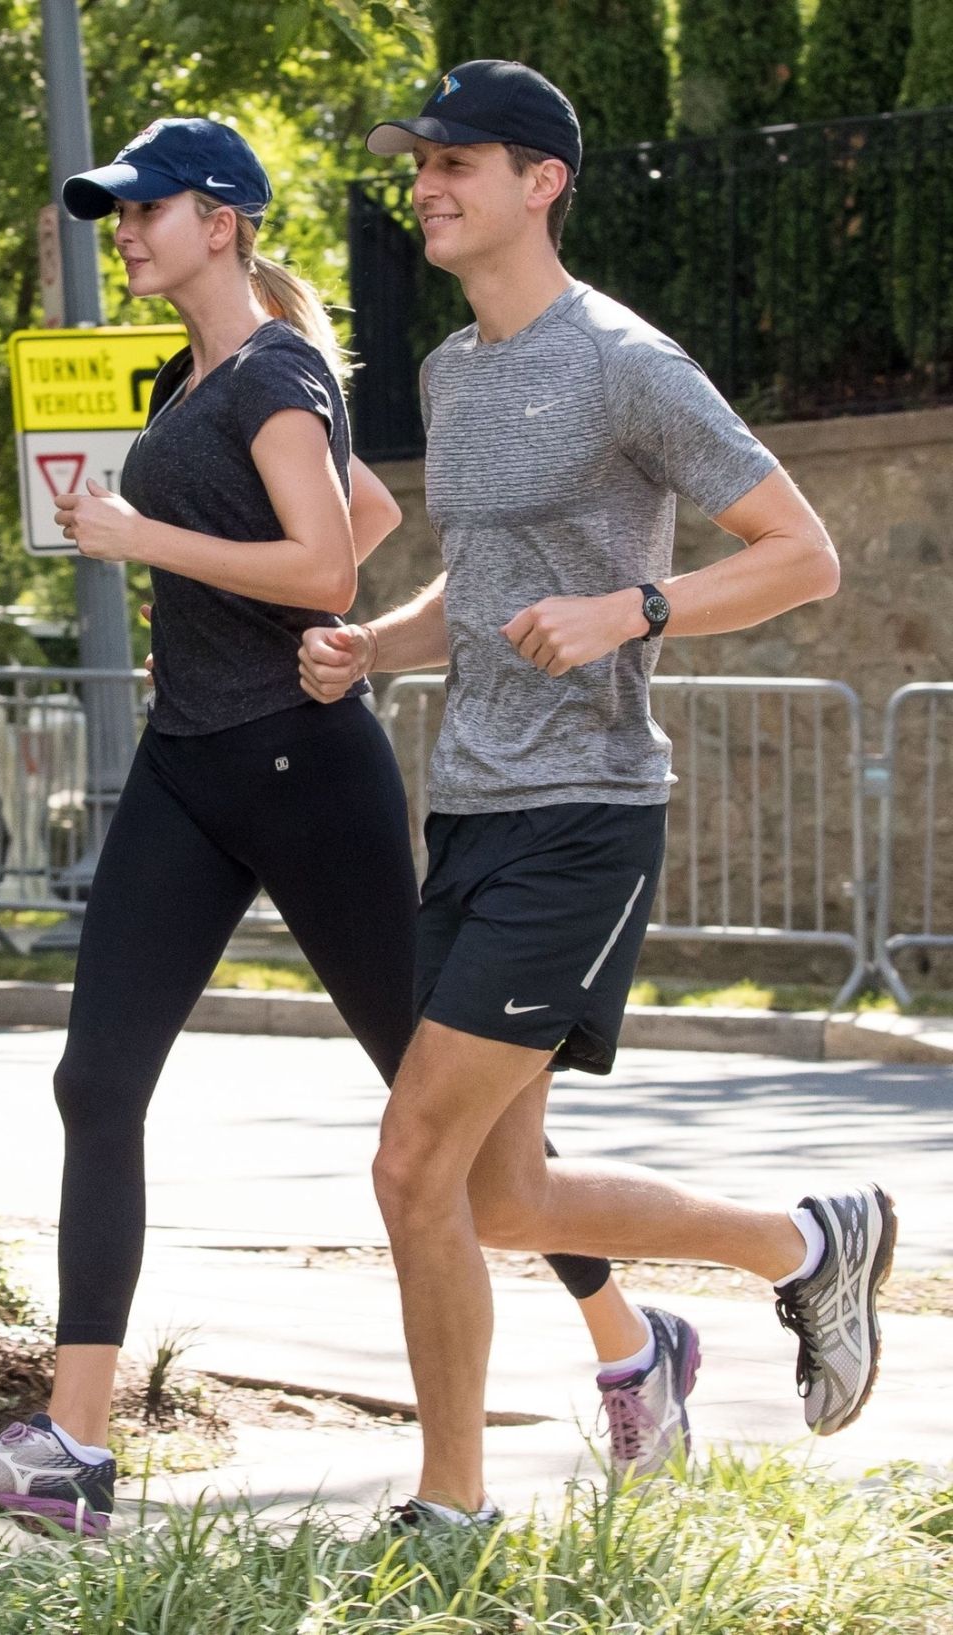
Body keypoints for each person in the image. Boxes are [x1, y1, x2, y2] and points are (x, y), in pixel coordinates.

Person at [0, 115, 689, 1535]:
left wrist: (149, 543)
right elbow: (363, 508)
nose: (125, 234)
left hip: (301, 771)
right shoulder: (187, 376)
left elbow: (325, 561)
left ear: (223, 223)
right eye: (116, 214)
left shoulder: (275, 372)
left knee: (452, 1132)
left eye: (147, 210)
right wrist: (229, 601)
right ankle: (73, 1449)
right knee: (95, 1084)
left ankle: (630, 1336)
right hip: (189, 765)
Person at [298, 60, 896, 1531]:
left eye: (458, 163)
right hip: (472, 809)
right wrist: (378, 644)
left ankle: (451, 1509)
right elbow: (483, 586)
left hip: (586, 814)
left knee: (411, 1161)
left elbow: (804, 555)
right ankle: (805, 1245)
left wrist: (635, 609)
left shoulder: (627, 361)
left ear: (542, 182)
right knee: (501, 1198)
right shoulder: (453, 371)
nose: (427, 186)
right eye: (420, 164)